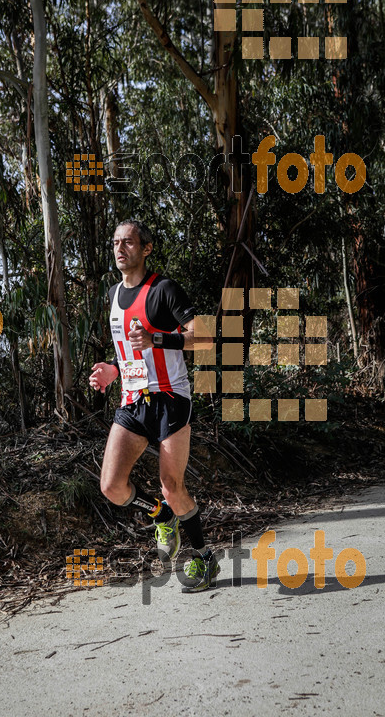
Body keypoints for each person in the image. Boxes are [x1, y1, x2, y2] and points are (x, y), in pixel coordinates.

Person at [89, 219, 219, 592]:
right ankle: (161, 516)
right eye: (115, 242)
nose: (119, 248)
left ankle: (204, 558)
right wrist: (114, 370)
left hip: (170, 399)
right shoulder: (114, 294)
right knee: (112, 486)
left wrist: (158, 337)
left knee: (171, 486)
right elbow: (131, 350)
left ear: (146, 249)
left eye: (128, 242)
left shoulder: (163, 290)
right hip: (132, 400)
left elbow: (205, 337)